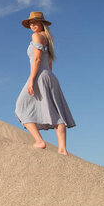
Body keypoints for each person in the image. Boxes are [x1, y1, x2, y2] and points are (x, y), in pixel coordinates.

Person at [15, 11, 76, 155]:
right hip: (50, 76)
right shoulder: (48, 39)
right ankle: (62, 149)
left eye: (35, 22)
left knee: (20, 107)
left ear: (42, 23)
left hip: (39, 76)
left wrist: (31, 79)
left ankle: (39, 141)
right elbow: (49, 64)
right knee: (56, 111)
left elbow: (36, 60)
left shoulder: (36, 36)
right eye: (30, 23)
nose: (32, 25)